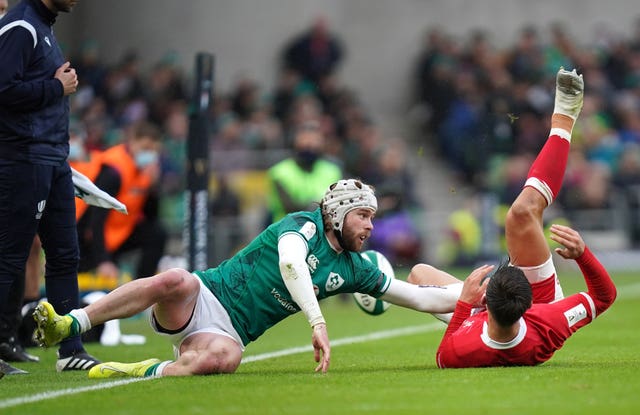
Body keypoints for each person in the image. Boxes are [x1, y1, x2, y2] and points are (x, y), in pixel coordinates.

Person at [34, 179, 467, 378]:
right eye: (363, 215)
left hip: (231, 333)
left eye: (374, 217)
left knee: (222, 362)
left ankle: (130, 370)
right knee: (176, 278)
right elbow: (292, 266)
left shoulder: (356, 268)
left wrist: (477, 300)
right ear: (337, 213)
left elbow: (421, 299)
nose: (371, 227)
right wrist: (317, 323)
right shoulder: (303, 226)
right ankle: (72, 323)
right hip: (203, 297)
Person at [407, 68, 617, 368]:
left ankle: (367, 280)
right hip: (538, 301)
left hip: (485, 320)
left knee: (417, 275)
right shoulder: (548, 320)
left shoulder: (464, 347)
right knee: (520, 215)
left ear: (487, 303)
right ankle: (564, 119)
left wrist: (466, 303)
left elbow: (444, 354)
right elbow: (604, 296)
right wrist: (583, 255)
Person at [0, 0, 100, 373]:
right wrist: (55, 87)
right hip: (24, 158)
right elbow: (3, 90)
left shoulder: (43, 25)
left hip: (53, 158)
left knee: (64, 255)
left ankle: (70, 349)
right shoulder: (21, 27)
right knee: (9, 257)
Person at [72, 121, 167, 280]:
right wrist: (103, 260)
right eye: (145, 148)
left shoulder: (146, 172)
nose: (149, 154)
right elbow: (96, 217)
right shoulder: (113, 171)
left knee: (157, 233)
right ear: (132, 142)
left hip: (119, 233)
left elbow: (152, 217)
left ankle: (144, 286)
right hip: (88, 236)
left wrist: (153, 188)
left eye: (153, 150)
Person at [266, 121, 342, 223]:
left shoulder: (332, 171)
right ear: (295, 142)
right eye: (305, 140)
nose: (310, 146)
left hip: (323, 234)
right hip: (287, 232)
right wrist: (321, 205)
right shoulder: (279, 172)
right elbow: (290, 208)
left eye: (315, 141)